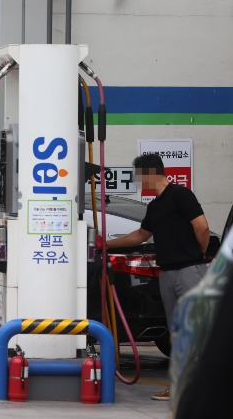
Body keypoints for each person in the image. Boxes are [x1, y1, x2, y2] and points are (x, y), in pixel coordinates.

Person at [97, 153, 210, 401]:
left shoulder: (181, 195)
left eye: (140, 176)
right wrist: (105, 244)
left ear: (150, 173)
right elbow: (140, 235)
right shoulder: (155, 205)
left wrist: (198, 255)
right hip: (167, 273)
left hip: (189, 271)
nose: (139, 182)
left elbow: (202, 227)